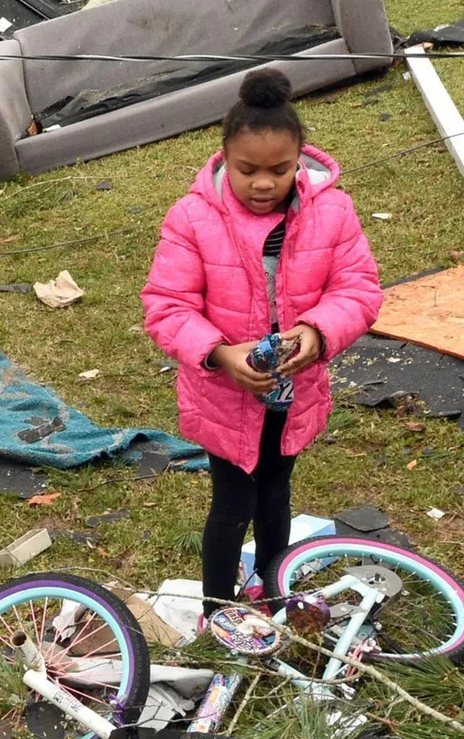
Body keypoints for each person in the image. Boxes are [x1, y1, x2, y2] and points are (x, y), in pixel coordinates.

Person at [142, 68, 382, 616]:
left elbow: (358, 290)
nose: (263, 183)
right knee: (232, 505)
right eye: (246, 169)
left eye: (279, 169)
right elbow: (167, 305)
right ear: (223, 157)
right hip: (223, 397)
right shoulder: (192, 218)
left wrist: (316, 333)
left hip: (294, 394)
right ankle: (219, 614)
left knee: (276, 496)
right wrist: (221, 354)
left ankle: (277, 599)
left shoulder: (332, 212)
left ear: (301, 160)